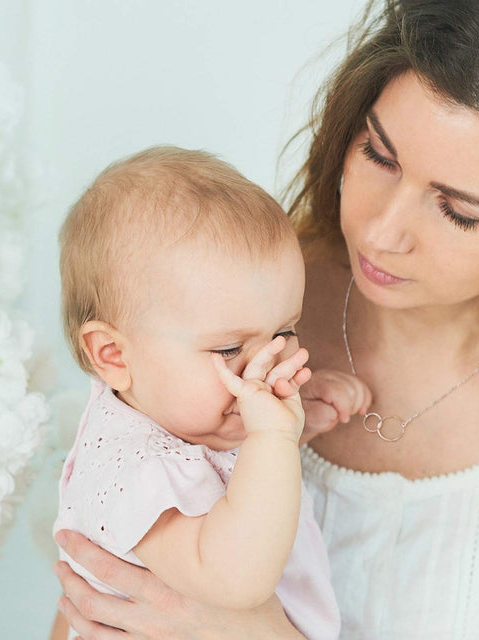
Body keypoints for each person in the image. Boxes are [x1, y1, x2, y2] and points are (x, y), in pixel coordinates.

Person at [53, 0, 479, 637]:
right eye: (379, 157)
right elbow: (89, 603)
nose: (383, 234)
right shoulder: (206, 302)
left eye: (460, 212)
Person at [52, 146, 355, 640]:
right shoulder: (136, 471)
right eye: (231, 347)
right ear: (113, 356)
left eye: (283, 332)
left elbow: (230, 483)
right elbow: (237, 578)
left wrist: (296, 426)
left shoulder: (172, 411)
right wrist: (272, 442)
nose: (266, 366)